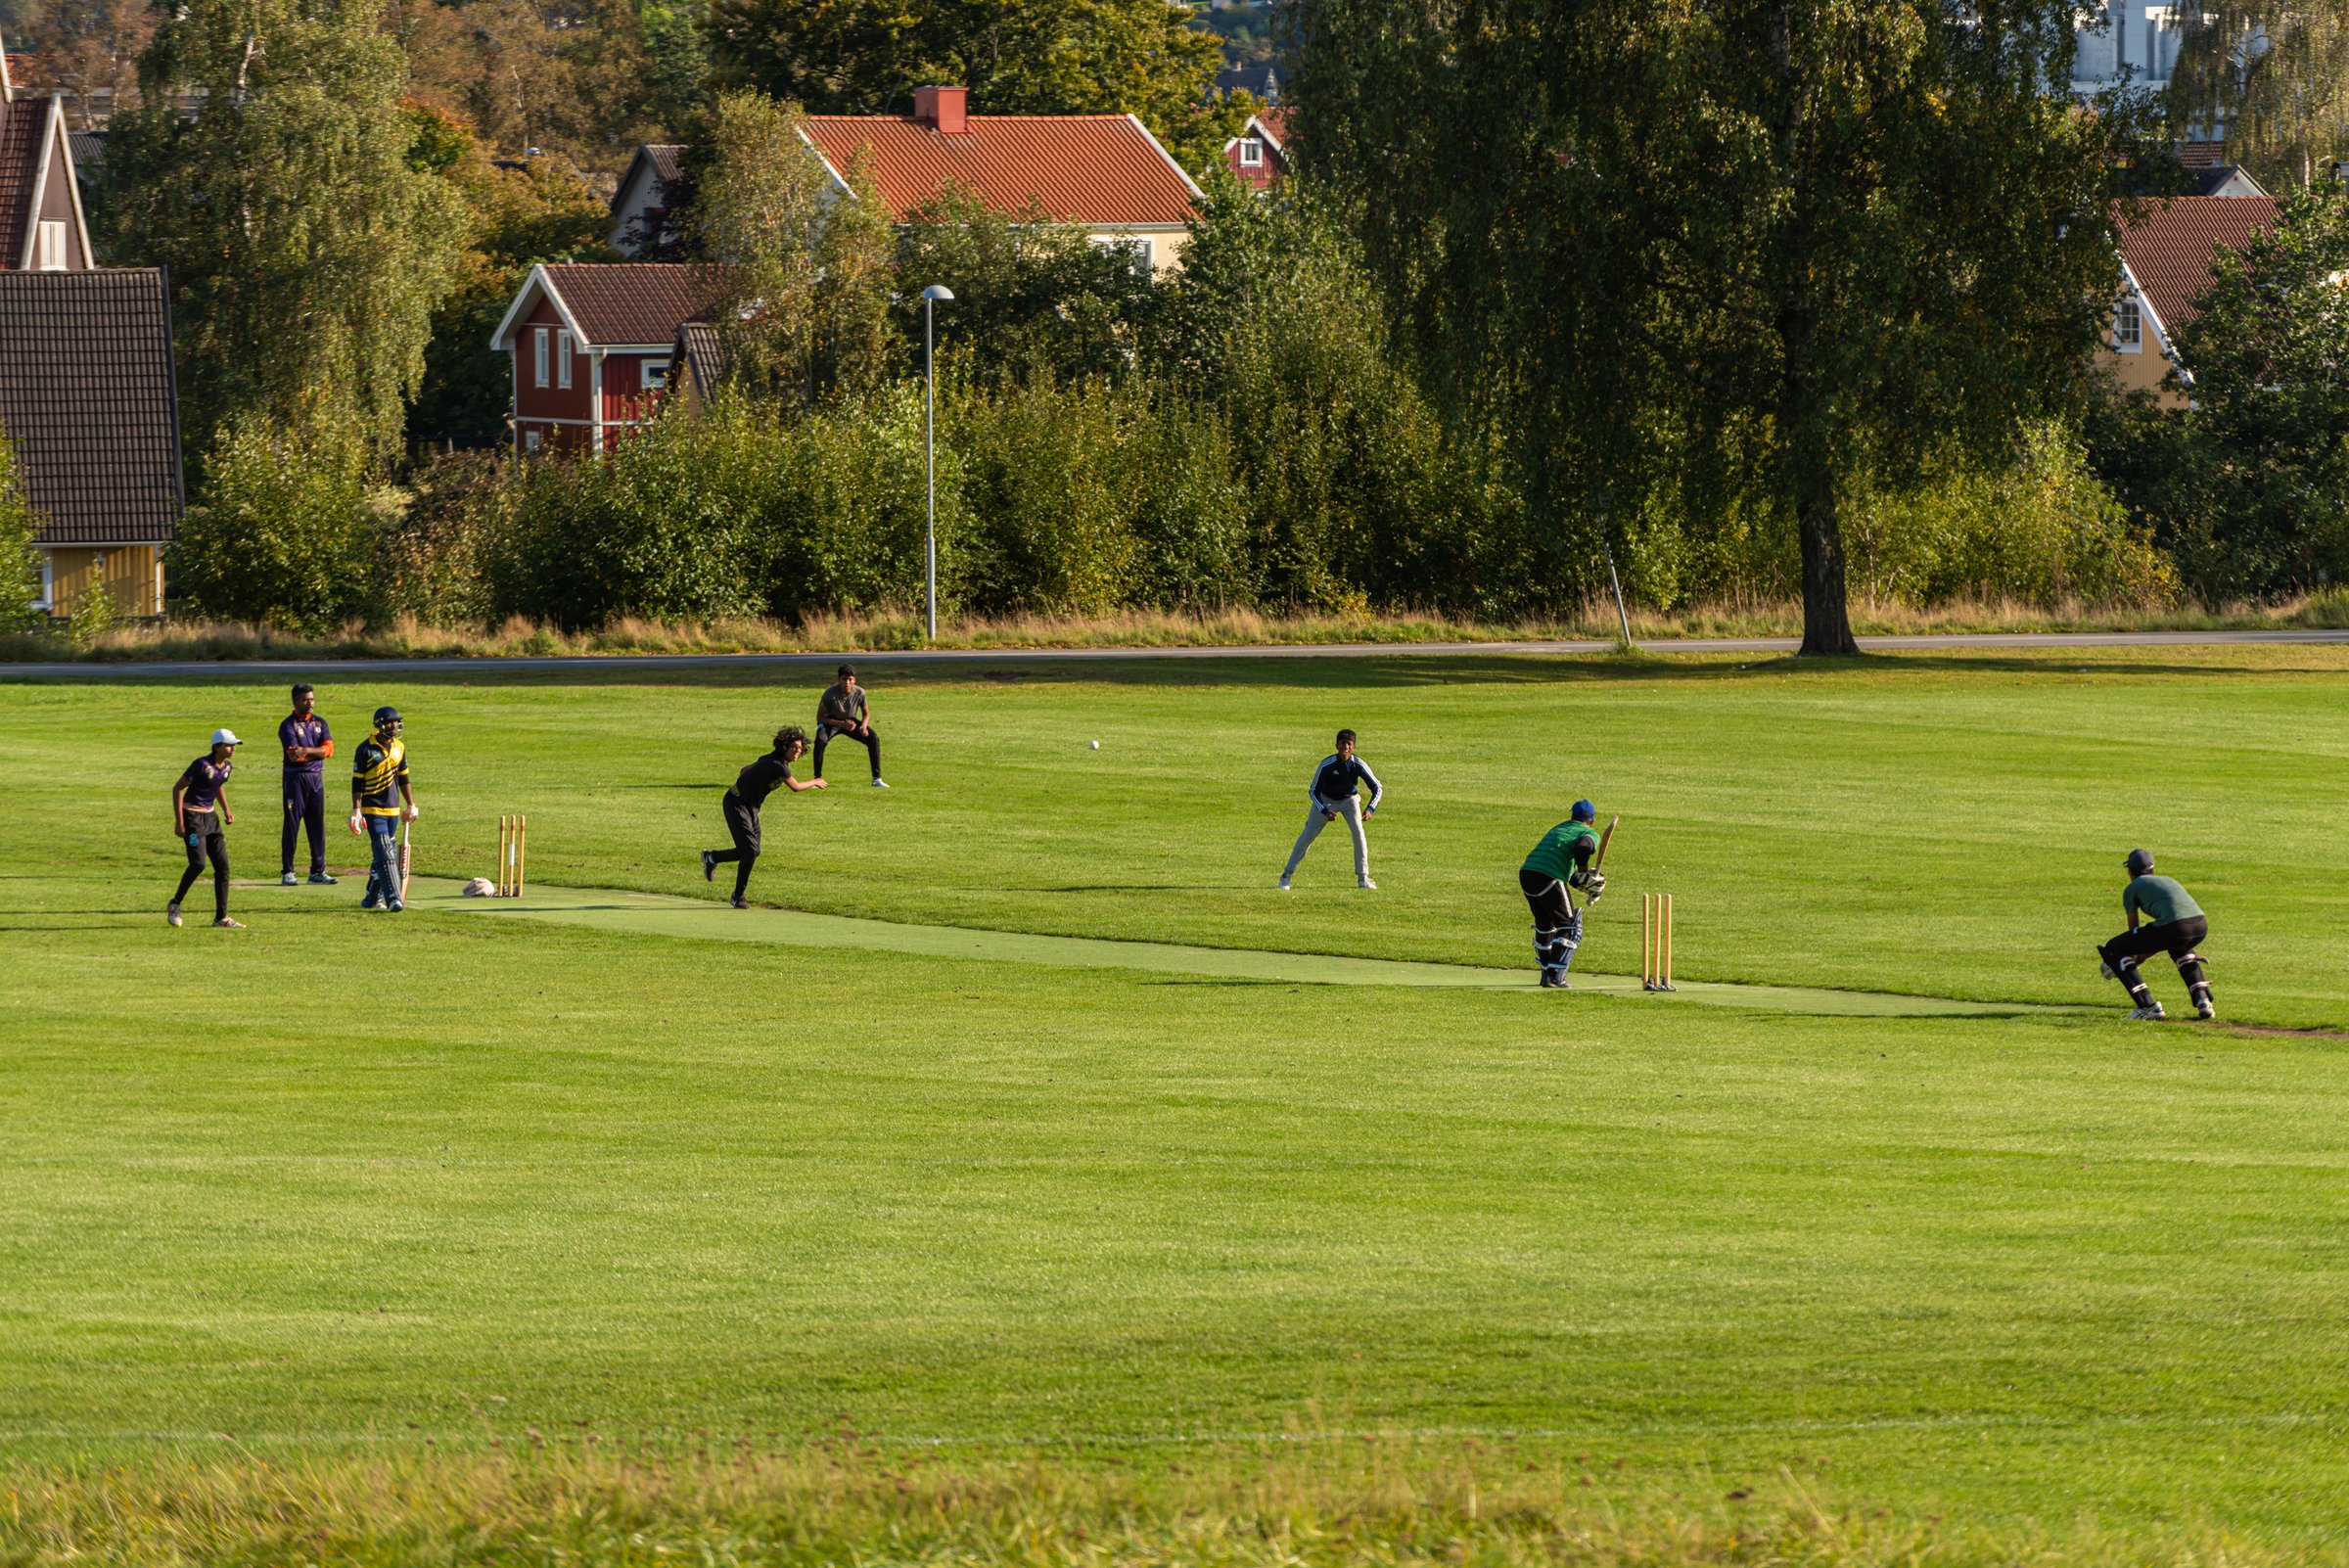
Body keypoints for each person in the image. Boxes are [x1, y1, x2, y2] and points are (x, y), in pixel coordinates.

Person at [703, 725, 825, 907]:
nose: (798, 751)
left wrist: (751, 782)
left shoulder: (769, 758)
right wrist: (816, 781)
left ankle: (712, 859)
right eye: (794, 748)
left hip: (750, 808)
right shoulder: (780, 768)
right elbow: (796, 787)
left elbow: (744, 769)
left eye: (800, 748)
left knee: (752, 852)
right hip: (736, 803)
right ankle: (736, 895)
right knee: (750, 851)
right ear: (784, 746)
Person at [2098, 848, 2215, 1021]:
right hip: (2200, 925)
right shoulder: (2169, 880)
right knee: (2179, 947)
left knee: (2114, 949)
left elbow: (2133, 933)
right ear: (2152, 869)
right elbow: (2163, 939)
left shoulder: (2132, 888)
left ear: (2130, 871)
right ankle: (2203, 1000)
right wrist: (2140, 957)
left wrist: (2128, 961)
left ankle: (2147, 1006)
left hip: (2174, 927)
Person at [1280, 728, 1383, 890]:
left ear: (1354, 747)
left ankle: (1363, 878)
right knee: (1307, 836)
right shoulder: (1327, 765)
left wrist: (1370, 809)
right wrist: (1324, 810)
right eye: (1342, 743)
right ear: (1336, 745)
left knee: (1359, 834)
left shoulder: (1358, 764)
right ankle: (1286, 875)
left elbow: (1378, 787)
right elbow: (1313, 791)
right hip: (1326, 800)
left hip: (1349, 800)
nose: (1345, 748)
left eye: (1349, 744)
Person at [1520, 801, 1606, 989]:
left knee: (1545, 924)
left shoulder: (1560, 829)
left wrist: (1585, 883)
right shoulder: (1588, 833)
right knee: (1568, 924)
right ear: (1592, 821)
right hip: (1549, 876)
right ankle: (1556, 976)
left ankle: (1546, 977)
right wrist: (1584, 872)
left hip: (1528, 873)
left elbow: (1568, 872)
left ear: (1572, 815)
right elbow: (1583, 848)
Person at [169, 729, 245, 928]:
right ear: (217, 746)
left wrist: (227, 810)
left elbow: (217, 784)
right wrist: (180, 822)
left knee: (223, 867)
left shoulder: (227, 768)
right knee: (198, 864)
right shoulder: (201, 765)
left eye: (234, 745)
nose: (233, 748)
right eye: (229, 745)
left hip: (211, 819)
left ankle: (221, 917)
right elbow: (178, 788)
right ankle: (175, 903)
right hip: (192, 818)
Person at [349, 706, 418, 912]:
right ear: (379, 724)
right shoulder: (365, 749)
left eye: (396, 722)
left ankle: (371, 898)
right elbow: (357, 783)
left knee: (381, 855)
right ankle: (393, 898)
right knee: (386, 852)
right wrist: (356, 811)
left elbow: (404, 778)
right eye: (390, 722)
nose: (394, 726)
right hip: (372, 810)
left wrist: (411, 804)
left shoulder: (400, 747)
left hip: (393, 810)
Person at [278, 682, 337, 885]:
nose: (310, 703)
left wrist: (308, 751)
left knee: (317, 824)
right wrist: (315, 752)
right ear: (295, 701)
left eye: (312, 699)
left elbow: (329, 750)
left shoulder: (321, 723)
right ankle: (288, 871)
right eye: (305, 700)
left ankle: (317, 871)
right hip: (295, 779)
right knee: (292, 824)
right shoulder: (288, 725)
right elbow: (295, 756)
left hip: (316, 779)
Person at [813, 664, 887, 787]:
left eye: (850, 679)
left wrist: (863, 725)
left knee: (873, 738)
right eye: (844, 679)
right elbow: (820, 718)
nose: (847, 682)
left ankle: (876, 779)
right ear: (839, 679)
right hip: (831, 722)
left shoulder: (860, 692)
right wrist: (841, 724)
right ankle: (817, 779)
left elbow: (866, 713)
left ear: (854, 680)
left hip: (851, 722)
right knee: (820, 740)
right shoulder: (829, 694)